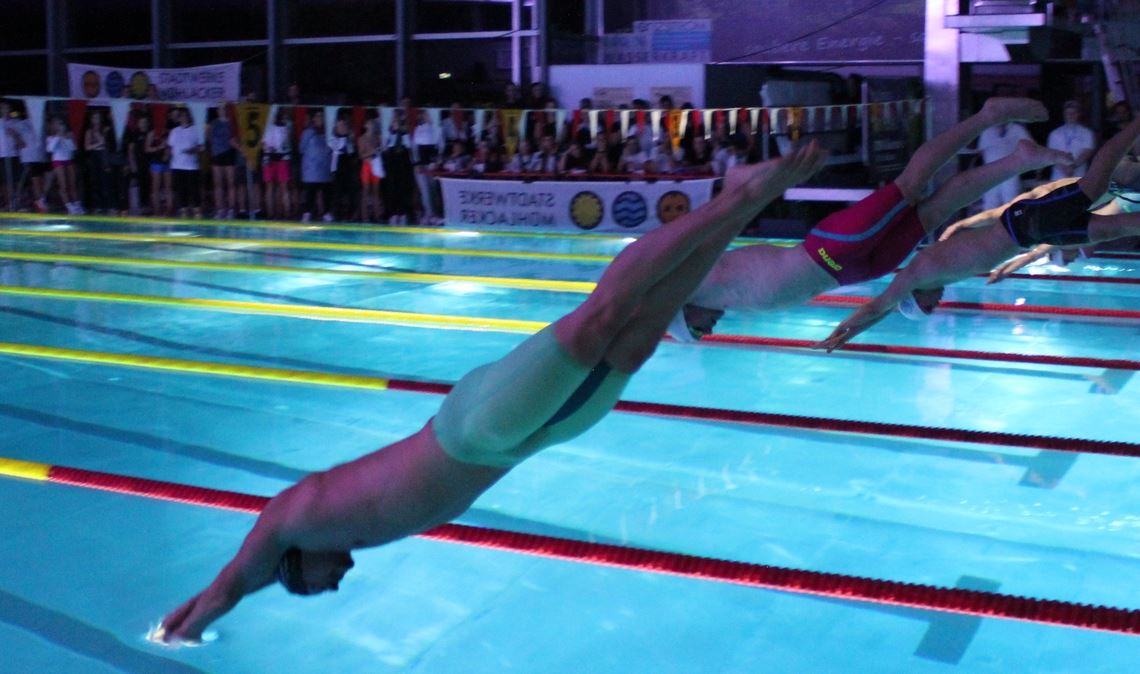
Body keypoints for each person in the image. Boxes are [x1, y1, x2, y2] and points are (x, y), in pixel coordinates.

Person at [155, 142, 830, 645]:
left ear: (294, 567)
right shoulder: (336, 535)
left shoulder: (294, 520)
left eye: (315, 586)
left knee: (600, 320)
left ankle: (734, 196)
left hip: (473, 429)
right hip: (519, 443)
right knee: (640, 335)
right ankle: (745, 206)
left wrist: (180, 632)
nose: (336, 584)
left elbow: (225, 589)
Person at [667, 98, 1070, 342]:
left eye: (699, 330)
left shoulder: (696, 283)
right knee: (936, 212)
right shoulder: (719, 299)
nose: (710, 330)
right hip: (855, 271)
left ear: (682, 313)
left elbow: (653, 285)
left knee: (911, 184)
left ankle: (987, 116)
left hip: (830, 250)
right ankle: (1019, 160)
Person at [814, 115, 1140, 351]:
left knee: (1096, 185)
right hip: (1030, 232)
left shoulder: (918, 273)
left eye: (929, 306)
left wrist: (846, 331)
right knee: (1113, 228)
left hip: (1027, 224)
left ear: (915, 296)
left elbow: (879, 306)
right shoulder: (936, 274)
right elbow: (884, 307)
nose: (937, 303)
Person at [975, 119, 1032, 211]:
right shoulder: (986, 131)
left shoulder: (1017, 129)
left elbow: (1030, 148)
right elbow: (981, 152)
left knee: (1012, 204)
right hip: (990, 175)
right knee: (990, 205)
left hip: (1011, 174)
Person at [1046, 100, 1095, 180]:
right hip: (1058, 178)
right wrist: (1064, 169)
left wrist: (1073, 166)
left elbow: (1087, 152)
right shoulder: (1054, 134)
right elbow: (1051, 154)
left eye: (1073, 113)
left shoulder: (1087, 133)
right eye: (1068, 113)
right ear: (1064, 114)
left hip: (1079, 177)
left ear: (1078, 114)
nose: (1070, 115)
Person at [168, 108, 203, 219]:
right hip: (177, 165)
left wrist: (193, 150)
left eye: (185, 115)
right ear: (179, 118)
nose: (183, 118)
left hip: (191, 166)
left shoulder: (195, 130)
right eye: (181, 116)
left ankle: (197, 211)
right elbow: (170, 147)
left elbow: (202, 147)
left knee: (194, 190)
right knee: (181, 190)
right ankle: (183, 210)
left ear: (189, 117)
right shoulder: (174, 131)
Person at [299, 109, 333, 223]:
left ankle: (326, 213)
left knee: (326, 192)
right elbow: (301, 148)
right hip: (311, 168)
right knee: (310, 192)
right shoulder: (308, 132)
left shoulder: (328, 132)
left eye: (322, 116)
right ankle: (307, 213)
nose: (320, 119)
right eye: (318, 116)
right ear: (314, 118)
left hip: (325, 167)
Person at [45, 116, 82, 214]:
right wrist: (58, 136)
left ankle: (77, 204)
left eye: (61, 124)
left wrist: (66, 138)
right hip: (58, 160)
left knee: (73, 184)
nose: (60, 126)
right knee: (63, 185)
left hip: (68, 160)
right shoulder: (51, 137)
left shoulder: (69, 135)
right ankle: (69, 206)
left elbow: (73, 148)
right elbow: (50, 149)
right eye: (57, 124)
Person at [261, 108, 293, 219]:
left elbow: (265, 145)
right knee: (274, 187)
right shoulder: (272, 128)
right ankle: (274, 213)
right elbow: (265, 144)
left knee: (280, 187)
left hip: (278, 158)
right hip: (272, 158)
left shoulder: (285, 127)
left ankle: (283, 213)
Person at [209, 103, 239, 219]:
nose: (222, 111)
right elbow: (210, 138)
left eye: (224, 109)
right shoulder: (214, 123)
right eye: (220, 109)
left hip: (229, 153)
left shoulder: (232, 123)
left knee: (231, 183)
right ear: (217, 110)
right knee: (218, 184)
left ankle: (231, 209)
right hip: (217, 155)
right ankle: (220, 209)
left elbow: (234, 138)